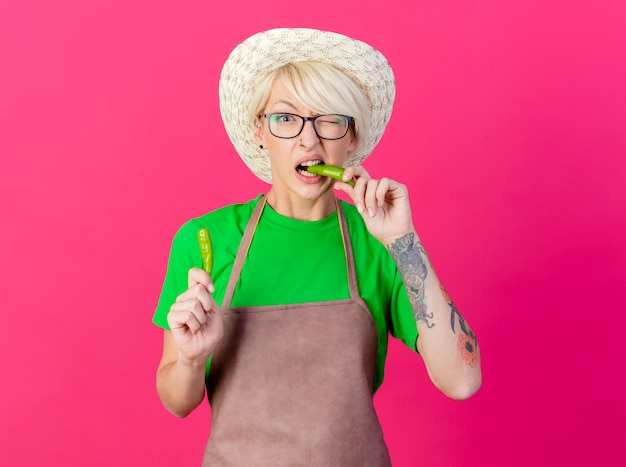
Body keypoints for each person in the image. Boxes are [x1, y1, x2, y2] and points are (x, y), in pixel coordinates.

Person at [153, 28, 481, 466]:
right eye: (286, 118)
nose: (309, 141)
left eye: (329, 119)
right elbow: (177, 401)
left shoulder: (377, 243)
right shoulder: (206, 239)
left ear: (351, 138)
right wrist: (192, 359)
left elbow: (462, 380)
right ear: (259, 131)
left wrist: (403, 241)